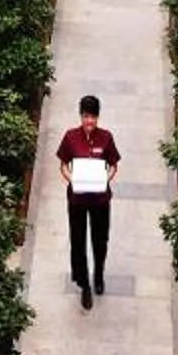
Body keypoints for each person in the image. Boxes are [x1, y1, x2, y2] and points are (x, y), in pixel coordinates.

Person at [56, 94, 122, 310]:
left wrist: (106, 178)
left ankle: (99, 275)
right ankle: (84, 284)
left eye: (93, 117)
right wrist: (71, 179)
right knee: (78, 241)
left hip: (100, 199)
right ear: (80, 116)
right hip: (77, 199)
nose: (89, 121)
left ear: (98, 117)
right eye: (86, 116)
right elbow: (63, 165)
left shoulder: (106, 138)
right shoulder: (70, 137)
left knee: (100, 239)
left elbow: (113, 165)